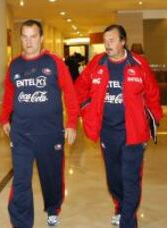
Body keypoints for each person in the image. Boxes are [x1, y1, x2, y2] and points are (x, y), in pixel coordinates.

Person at [75, 24, 163, 228]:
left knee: (131, 179)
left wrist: (153, 120)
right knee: (114, 179)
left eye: (112, 40)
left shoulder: (139, 64)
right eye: (105, 40)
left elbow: (152, 94)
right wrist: (87, 110)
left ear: (123, 41)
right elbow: (80, 88)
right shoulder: (98, 63)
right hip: (108, 133)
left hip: (134, 134)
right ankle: (120, 207)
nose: (107, 44)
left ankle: (128, 221)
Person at [0, 19, 79, 227]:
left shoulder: (54, 62)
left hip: (50, 133)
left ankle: (52, 208)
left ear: (41, 38)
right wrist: (4, 118)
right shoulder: (14, 65)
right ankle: (22, 223)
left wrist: (71, 122)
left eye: (33, 36)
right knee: (21, 180)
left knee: (51, 176)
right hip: (21, 134)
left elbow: (70, 93)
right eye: (24, 37)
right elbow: (9, 94)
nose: (29, 41)